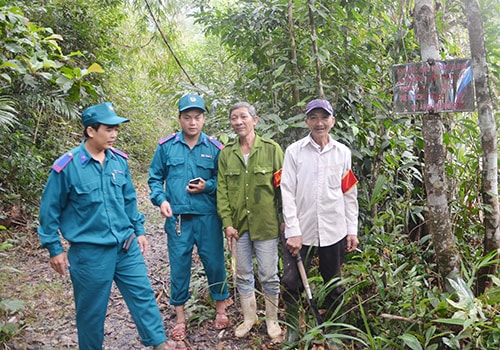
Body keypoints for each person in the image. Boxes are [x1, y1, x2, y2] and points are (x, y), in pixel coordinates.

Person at [37, 102, 177, 350]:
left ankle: (159, 344)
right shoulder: (67, 167)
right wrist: (54, 248)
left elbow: (129, 200)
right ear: (91, 131)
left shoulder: (118, 161)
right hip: (89, 253)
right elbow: (49, 211)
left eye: (116, 129)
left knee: (143, 296)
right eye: (108, 129)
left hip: (125, 246)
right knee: (91, 312)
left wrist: (139, 230)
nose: (114, 134)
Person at [148, 94, 230, 341]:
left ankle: (221, 309)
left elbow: (223, 180)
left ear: (204, 118)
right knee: (179, 266)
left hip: (207, 217)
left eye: (197, 117)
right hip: (179, 219)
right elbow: (154, 178)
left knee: (215, 263)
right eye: (187, 117)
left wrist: (208, 186)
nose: (192, 122)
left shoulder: (214, 149)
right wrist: (161, 200)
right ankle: (180, 317)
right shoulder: (166, 147)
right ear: (180, 119)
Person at [280, 98, 359, 342]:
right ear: (306, 122)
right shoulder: (294, 152)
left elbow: (348, 193)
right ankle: (293, 328)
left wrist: (351, 230)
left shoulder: (343, 153)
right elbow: (287, 192)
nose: (319, 123)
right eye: (313, 118)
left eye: (324, 118)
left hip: (333, 230)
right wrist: (292, 230)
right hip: (300, 232)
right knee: (291, 282)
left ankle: (334, 331)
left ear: (332, 121)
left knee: (333, 283)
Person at [217, 102, 283, 340]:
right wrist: (227, 222)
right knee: (243, 274)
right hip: (238, 227)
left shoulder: (271, 149)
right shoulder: (227, 153)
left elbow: (282, 188)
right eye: (234, 118)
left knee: (268, 274)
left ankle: (272, 321)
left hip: (266, 225)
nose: (238, 122)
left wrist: (285, 219)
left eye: (243, 117)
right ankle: (249, 317)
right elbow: (222, 190)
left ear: (255, 120)